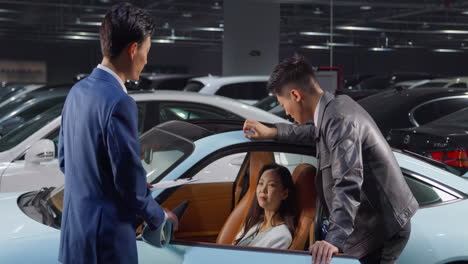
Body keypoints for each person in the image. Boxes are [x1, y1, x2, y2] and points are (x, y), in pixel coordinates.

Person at [243, 55, 418, 264]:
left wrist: (334, 239)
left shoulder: (339, 119)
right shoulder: (332, 111)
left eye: (283, 104)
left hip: (382, 226)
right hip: (371, 221)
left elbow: (348, 180)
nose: (286, 112)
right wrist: (273, 132)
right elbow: (313, 133)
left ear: (295, 95)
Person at [58, 3, 178, 264]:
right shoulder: (119, 102)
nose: (147, 60)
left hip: (74, 235)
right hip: (106, 242)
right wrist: (157, 216)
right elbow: (127, 182)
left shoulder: (77, 92)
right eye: (147, 51)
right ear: (133, 50)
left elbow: (65, 161)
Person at [234, 163, 297, 249]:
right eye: (261, 183)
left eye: (271, 185)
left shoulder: (282, 236)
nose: (263, 190)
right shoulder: (254, 221)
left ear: (284, 194)